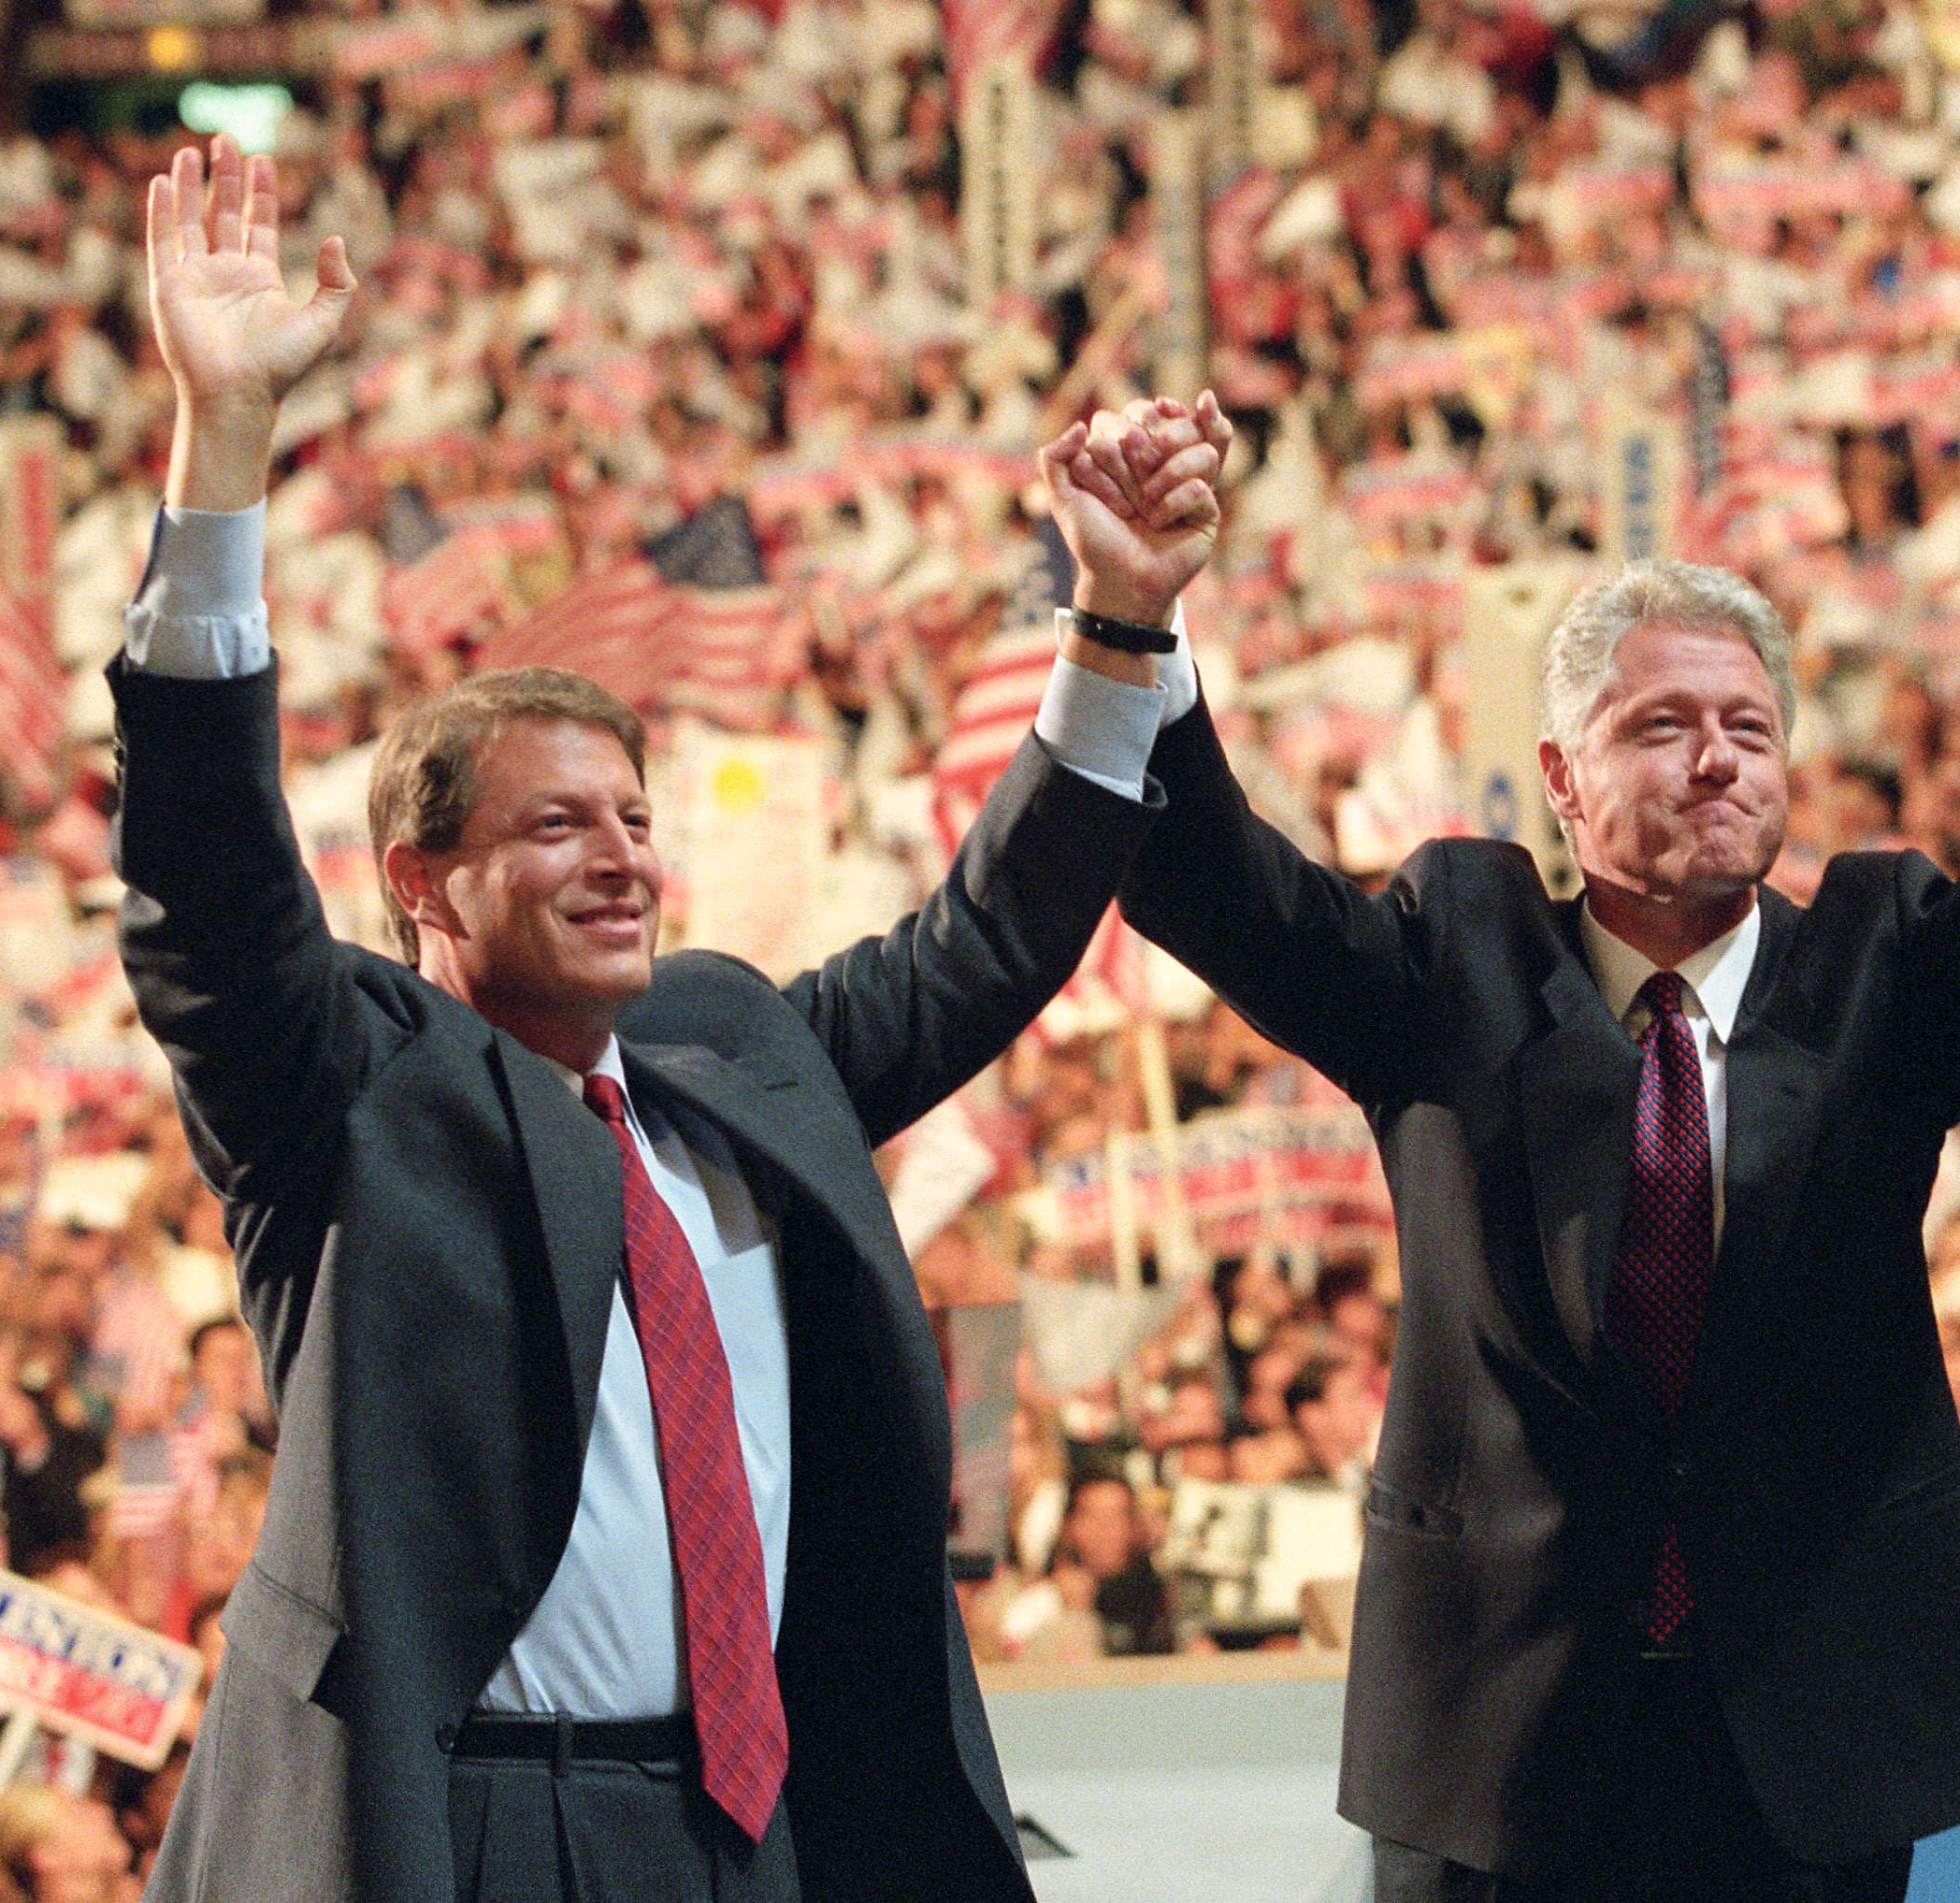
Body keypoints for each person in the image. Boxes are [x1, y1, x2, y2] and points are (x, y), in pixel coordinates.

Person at [1058, 230, 1960, 1897]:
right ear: (1559, 777)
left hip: (1802, 1747)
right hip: (1504, 1746)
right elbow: (1214, 884)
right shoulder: (1452, 956)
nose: (1716, 760)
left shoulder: (1882, 966)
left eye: (1749, 727)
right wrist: (1128, 619)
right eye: (1660, 726)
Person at [113, 137, 1216, 1903]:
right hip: (470, 1829)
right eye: (558, 827)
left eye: (634, 819)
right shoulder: (347, 1089)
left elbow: (989, 941)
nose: (624, 860)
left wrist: (1121, 624)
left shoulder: (731, 1053)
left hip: (760, 1824)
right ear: (421, 881)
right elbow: (204, 891)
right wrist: (223, 446)